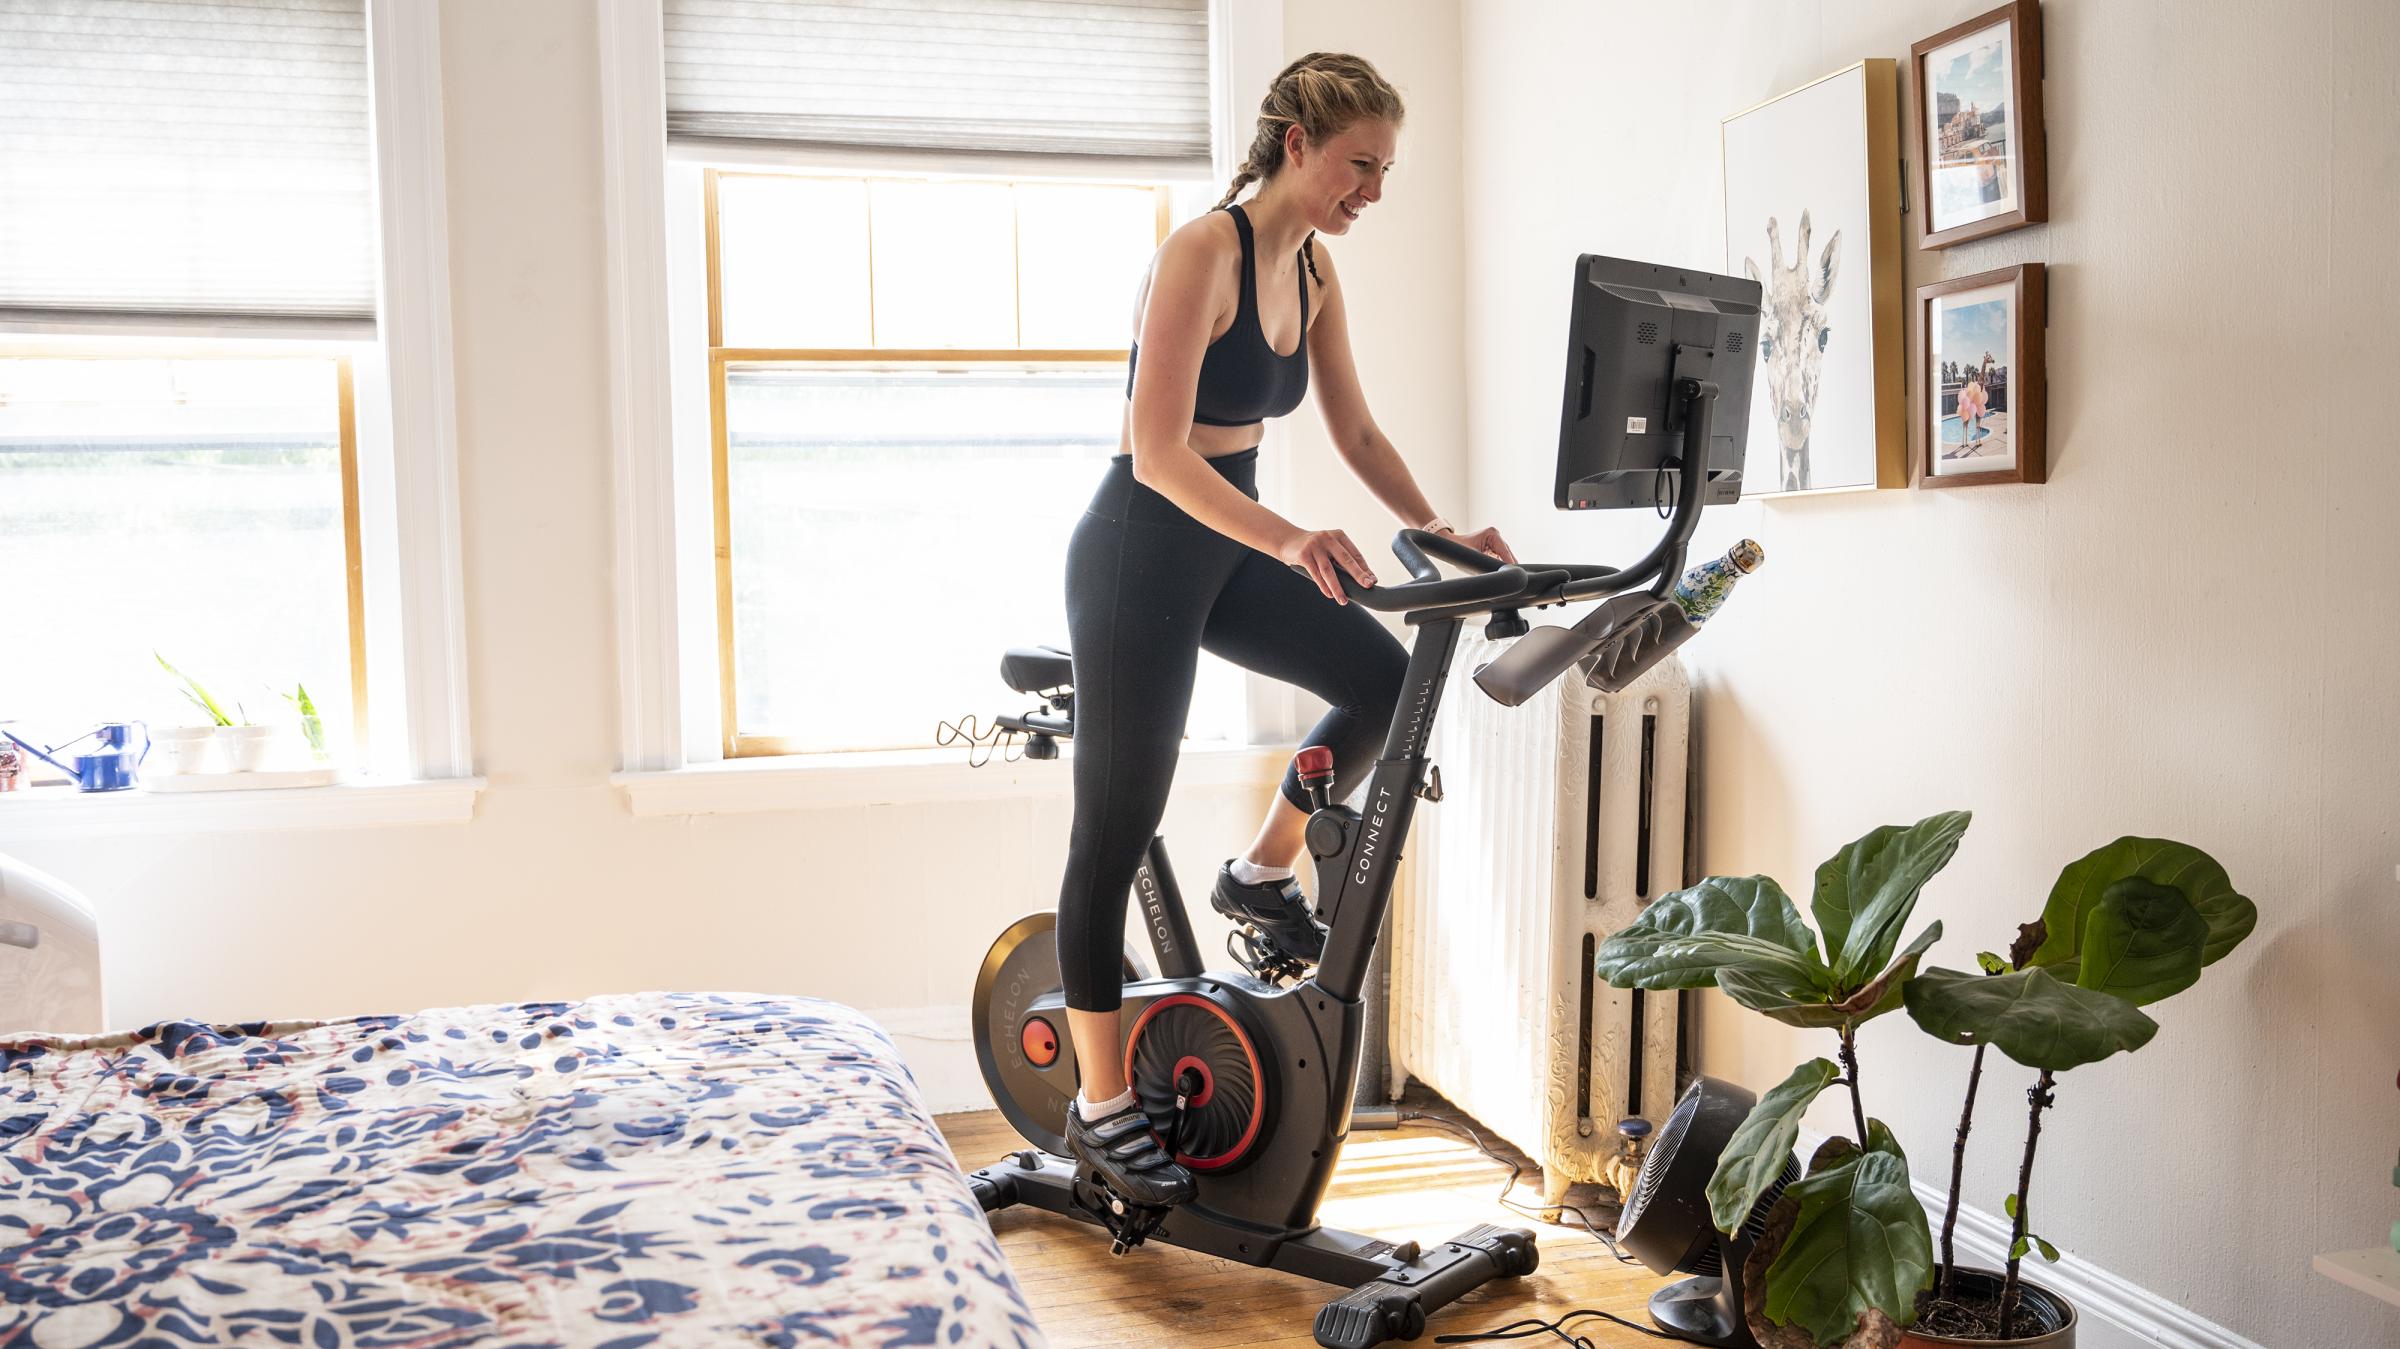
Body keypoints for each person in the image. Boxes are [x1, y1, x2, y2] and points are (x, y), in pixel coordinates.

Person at [1054, 52, 1516, 1209]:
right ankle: (1102, 1105)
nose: (1373, 190)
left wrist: (1442, 531)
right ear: (1299, 143)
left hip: (1228, 545)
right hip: (1138, 551)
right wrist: (1289, 539)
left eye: (1386, 171)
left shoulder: (1311, 275)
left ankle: (1260, 872)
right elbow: (1157, 451)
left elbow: (1355, 432)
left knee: (1376, 678)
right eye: (1361, 164)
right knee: (1116, 819)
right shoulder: (1200, 252)